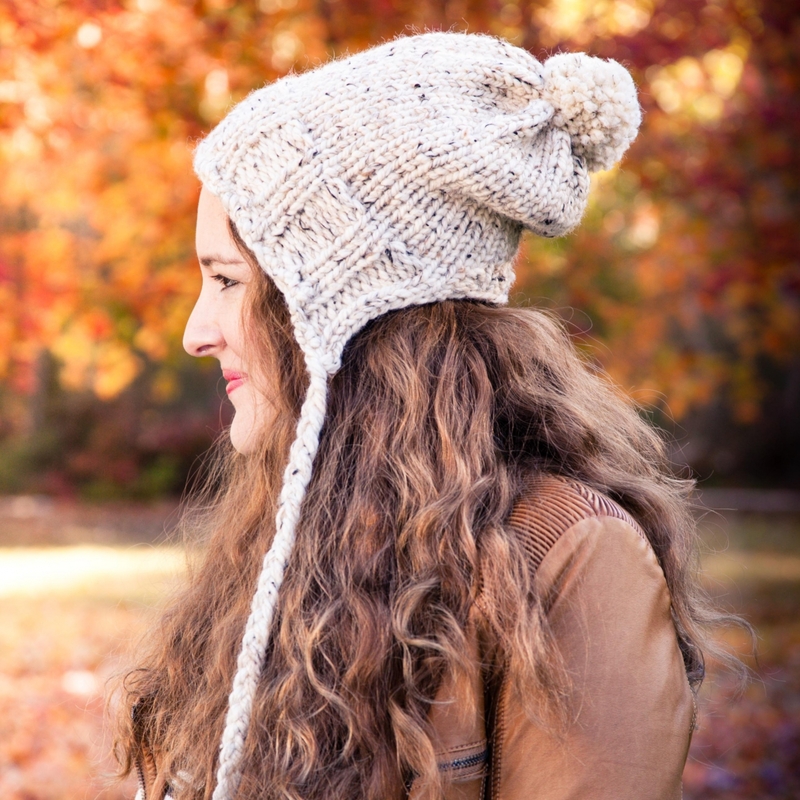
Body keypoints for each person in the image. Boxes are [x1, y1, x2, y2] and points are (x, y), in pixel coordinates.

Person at [115, 31, 731, 800]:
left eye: (228, 281)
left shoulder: (569, 554)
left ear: (348, 310)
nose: (194, 332)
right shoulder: (311, 529)